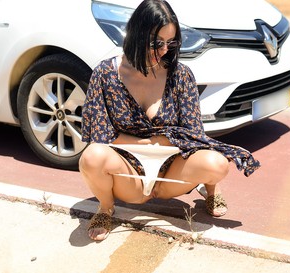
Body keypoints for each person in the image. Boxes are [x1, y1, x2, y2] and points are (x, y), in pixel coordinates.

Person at [79, 0, 260, 241]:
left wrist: (144, 141)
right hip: (128, 167)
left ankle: (210, 189)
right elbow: (100, 137)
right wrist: (157, 141)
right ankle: (105, 208)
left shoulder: (180, 75)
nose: (164, 50)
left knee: (217, 164)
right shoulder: (105, 74)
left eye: (170, 42)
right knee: (92, 157)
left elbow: (193, 135)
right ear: (136, 35)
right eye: (156, 43)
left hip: (172, 164)